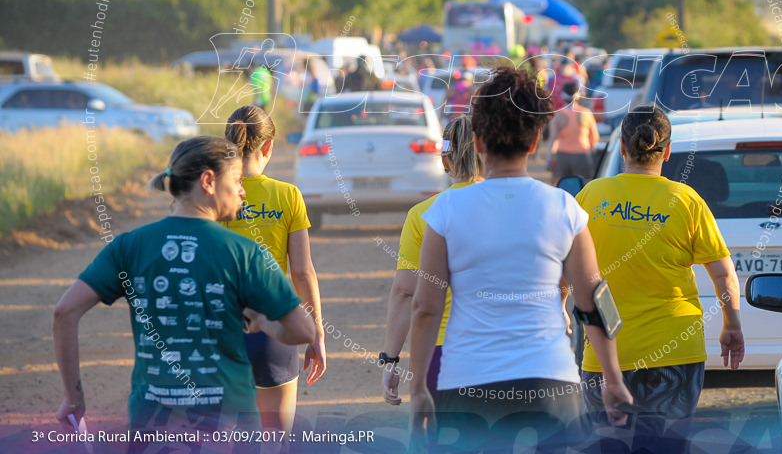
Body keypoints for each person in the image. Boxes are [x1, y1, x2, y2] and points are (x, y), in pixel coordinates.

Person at [408, 66, 633, 447]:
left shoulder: (445, 212)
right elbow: (594, 300)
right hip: (551, 386)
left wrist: (418, 389)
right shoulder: (564, 208)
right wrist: (613, 380)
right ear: (534, 144)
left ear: (477, 143)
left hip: (467, 386)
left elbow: (425, 308)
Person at [53, 136, 315, 435]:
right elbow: (303, 331)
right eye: (237, 181)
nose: (242, 191)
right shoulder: (245, 253)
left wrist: (74, 399)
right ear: (208, 181)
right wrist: (263, 323)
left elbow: (64, 313)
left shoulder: (128, 246)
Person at [575, 104, 744, 451]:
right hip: (676, 353)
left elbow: (564, 262)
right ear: (667, 151)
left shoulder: (591, 196)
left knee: (610, 446)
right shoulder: (686, 201)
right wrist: (732, 325)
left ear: (622, 147)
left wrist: (559, 310)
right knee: (666, 446)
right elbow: (724, 275)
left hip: (607, 355)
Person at [220, 105, 328, 432]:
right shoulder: (288, 195)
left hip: (222, 329)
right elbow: (302, 273)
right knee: (276, 439)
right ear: (268, 147)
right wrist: (316, 333)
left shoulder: (214, 196)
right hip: (275, 327)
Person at [380, 115, 482, 405]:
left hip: (442, 351)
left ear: (445, 161)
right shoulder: (511, 206)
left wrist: (390, 360)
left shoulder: (423, 214)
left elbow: (405, 291)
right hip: (503, 349)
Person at [548, 80, 599, 182]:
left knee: (561, 186)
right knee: (584, 187)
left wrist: (550, 158)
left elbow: (553, 138)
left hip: (563, 156)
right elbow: (594, 137)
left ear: (563, 96)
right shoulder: (586, 113)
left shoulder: (558, 115)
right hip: (582, 155)